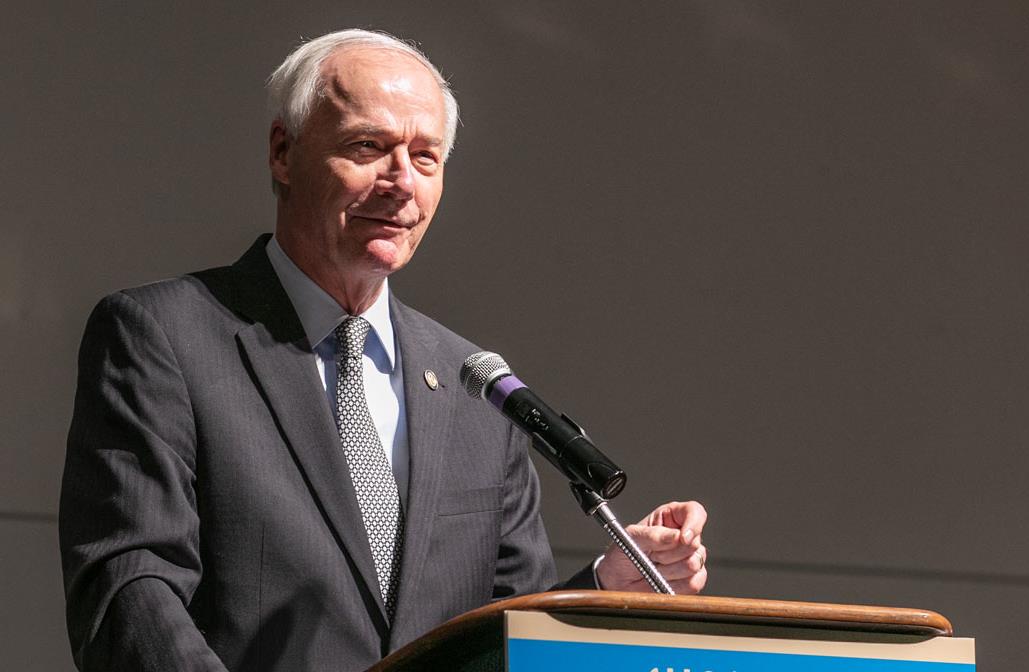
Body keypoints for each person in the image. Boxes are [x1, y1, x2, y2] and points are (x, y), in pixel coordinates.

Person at [59, 29, 708, 672]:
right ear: (284, 153)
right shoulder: (163, 336)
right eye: (369, 147)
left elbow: (504, 634)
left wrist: (604, 589)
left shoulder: (477, 386)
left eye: (426, 158)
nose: (401, 181)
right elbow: (130, 591)